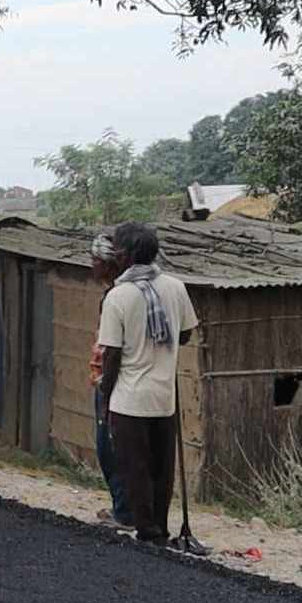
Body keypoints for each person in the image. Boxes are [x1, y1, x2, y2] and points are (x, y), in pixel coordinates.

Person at [97, 222, 198, 545]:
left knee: (134, 467)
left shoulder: (118, 296)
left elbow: (111, 355)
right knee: (162, 469)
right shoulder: (175, 287)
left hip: (129, 399)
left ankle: (147, 532)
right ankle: (161, 527)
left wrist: (105, 395)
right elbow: (185, 333)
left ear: (124, 255)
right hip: (164, 397)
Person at [90, 234, 134, 530]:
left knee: (110, 448)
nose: (91, 267)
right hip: (118, 380)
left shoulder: (115, 297)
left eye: (94, 261)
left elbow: (113, 348)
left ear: (106, 265)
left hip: (113, 381)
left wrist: (106, 384)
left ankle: (124, 513)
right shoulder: (124, 293)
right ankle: (126, 509)